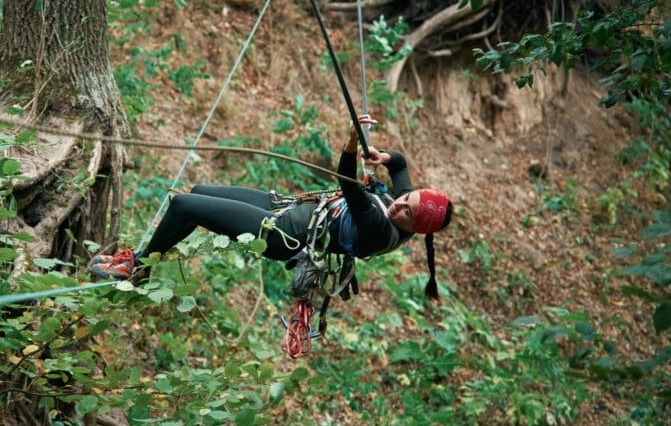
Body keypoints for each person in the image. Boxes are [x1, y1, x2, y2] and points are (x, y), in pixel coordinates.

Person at [91, 115, 453, 298]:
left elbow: (348, 183)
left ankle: (138, 267)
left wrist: (351, 143)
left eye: (407, 212)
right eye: (405, 199)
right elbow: (401, 166)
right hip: (286, 208)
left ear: (415, 229)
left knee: (185, 205)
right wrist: (382, 156)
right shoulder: (404, 203)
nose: (400, 205)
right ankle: (144, 260)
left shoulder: (380, 228)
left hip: (283, 234)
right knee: (200, 189)